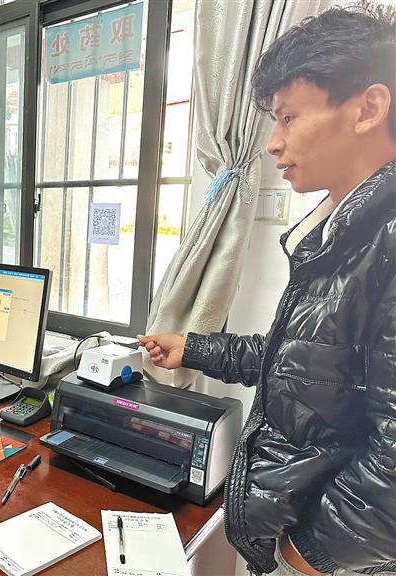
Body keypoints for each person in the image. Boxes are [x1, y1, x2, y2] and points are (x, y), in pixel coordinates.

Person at [139, 5, 395, 576]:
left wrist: (309, 554)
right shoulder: (338, 233)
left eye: (288, 117)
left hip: (337, 558)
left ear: (368, 108)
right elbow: (302, 363)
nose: (273, 143)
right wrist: (194, 348)